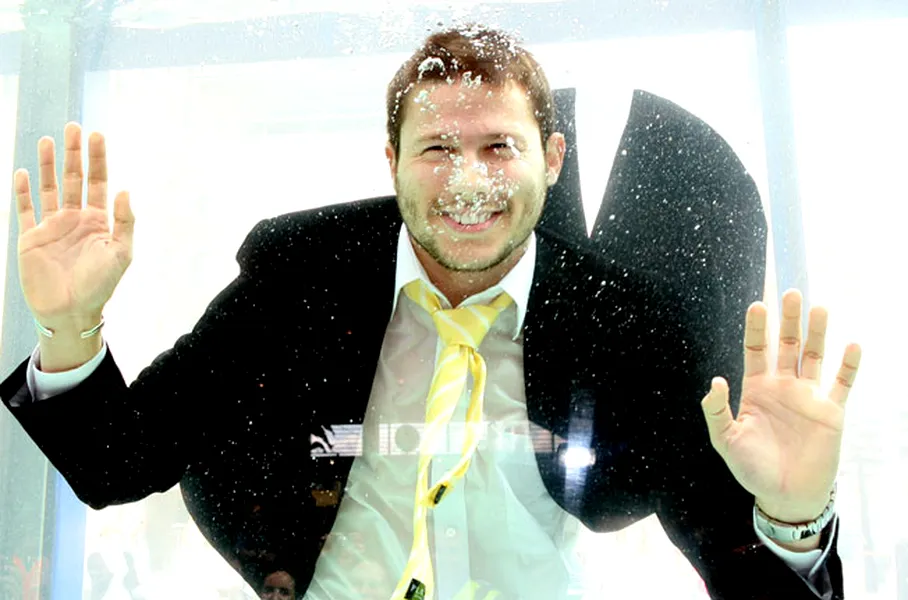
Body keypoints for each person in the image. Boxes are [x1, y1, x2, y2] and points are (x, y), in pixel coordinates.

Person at [0, 25, 861, 600]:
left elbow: (746, 575)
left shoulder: (626, 325)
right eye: (438, 148)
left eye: (499, 147)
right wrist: (69, 329)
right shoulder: (300, 274)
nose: (468, 181)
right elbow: (119, 462)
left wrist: (794, 518)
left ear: (553, 159)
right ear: (392, 161)